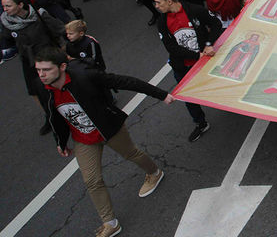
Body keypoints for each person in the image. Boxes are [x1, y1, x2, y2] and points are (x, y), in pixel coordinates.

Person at [36, 46, 174, 237]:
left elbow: (125, 82)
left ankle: (154, 173)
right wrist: (60, 141)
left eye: (46, 70)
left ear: (62, 67)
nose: (41, 75)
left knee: (131, 154)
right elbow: (55, 116)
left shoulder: (85, 76)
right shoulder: (44, 89)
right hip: (83, 138)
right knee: (92, 181)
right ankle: (110, 223)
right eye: (38, 70)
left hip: (108, 129)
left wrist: (162, 95)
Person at [153, 0, 222, 141]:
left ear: (170, 1)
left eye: (159, 2)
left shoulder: (195, 10)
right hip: (182, 66)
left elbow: (216, 24)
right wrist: (196, 55)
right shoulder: (162, 22)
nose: (156, 6)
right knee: (187, 97)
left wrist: (209, 44)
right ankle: (200, 123)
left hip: (205, 63)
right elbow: (171, 47)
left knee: (217, 86)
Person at [0, 0, 66, 134]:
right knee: (34, 90)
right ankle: (50, 116)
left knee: (60, 83)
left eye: (8, 5)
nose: (5, 9)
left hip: (48, 55)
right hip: (28, 60)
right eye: (3, 6)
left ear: (20, 5)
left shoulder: (39, 15)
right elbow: (8, 40)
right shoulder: (7, 22)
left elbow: (59, 29)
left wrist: (63, 51)